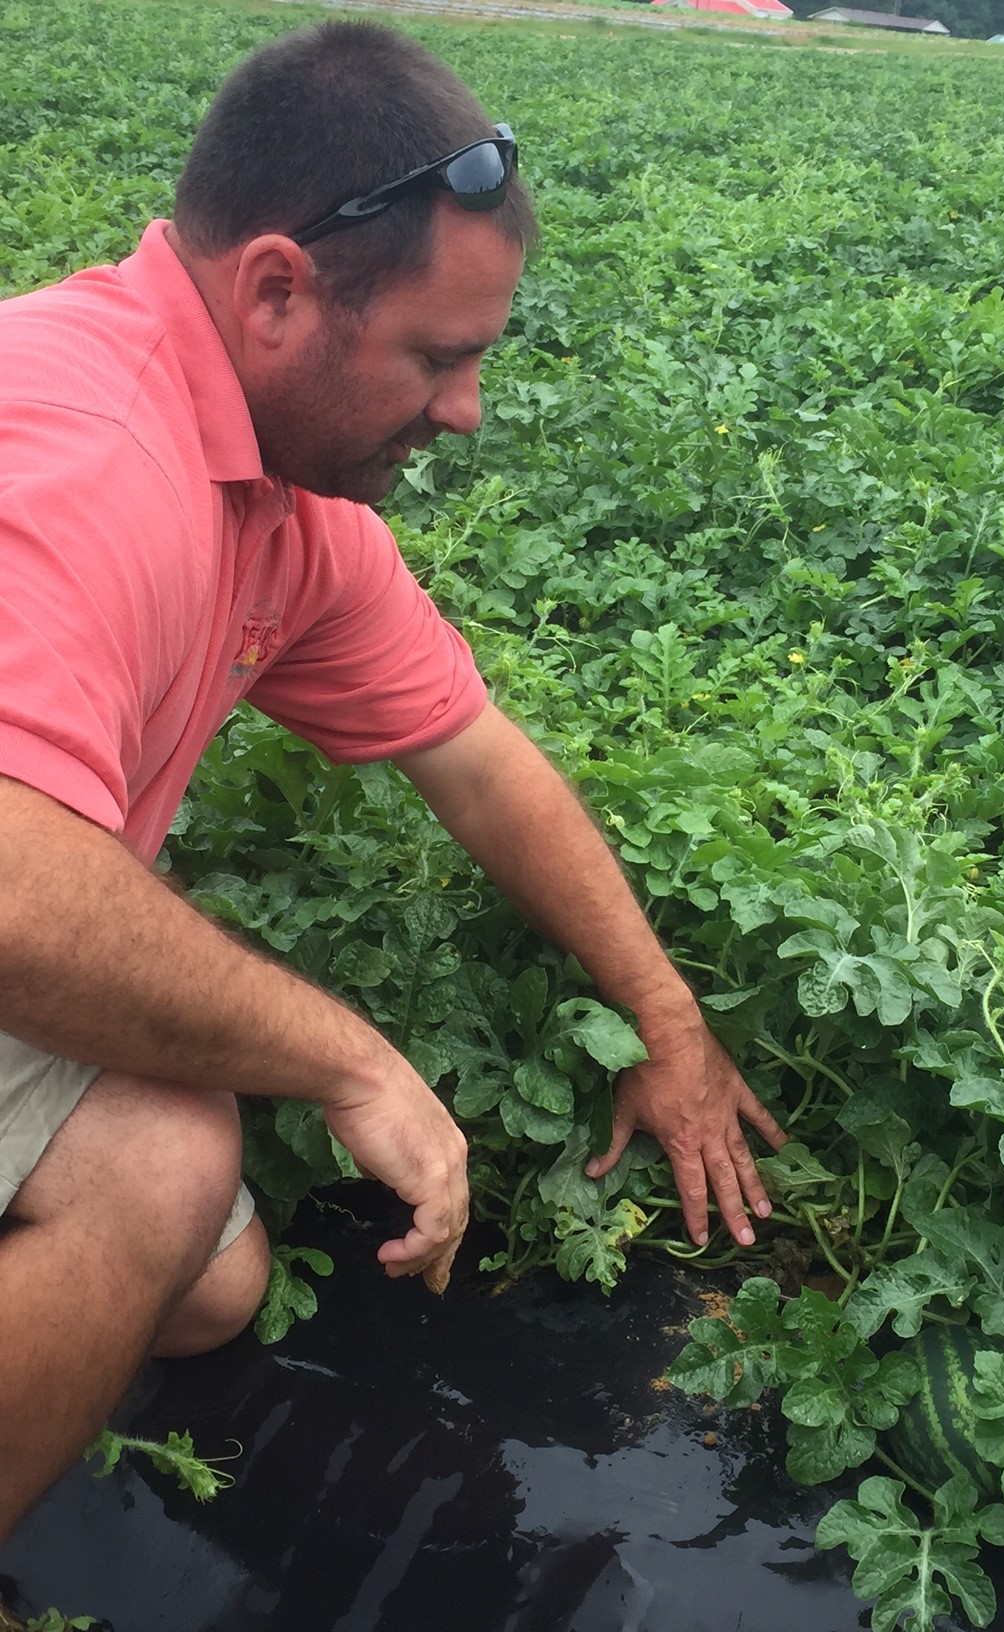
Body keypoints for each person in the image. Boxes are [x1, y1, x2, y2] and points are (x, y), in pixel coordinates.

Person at [0, 20, 786, 1543]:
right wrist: (351, 1060)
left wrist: (671, 1023)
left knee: (211, 1284)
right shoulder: (84, 450)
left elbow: (475, 759)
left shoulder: (274, 493)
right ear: (282, 288)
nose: (469, 409)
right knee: (166, 1160)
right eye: (440, 355)